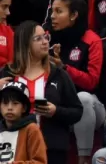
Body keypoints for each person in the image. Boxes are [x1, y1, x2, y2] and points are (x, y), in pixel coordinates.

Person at [4, 20, 83, 164]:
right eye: (38, 38)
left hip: (51, 150)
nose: (45, 42)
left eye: (46, 37)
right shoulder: (7, 74)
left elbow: (77, 111)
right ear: (24, 43)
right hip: (12, 148)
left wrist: (56, 111)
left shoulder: (59, 74)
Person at [47, 0, 105, 164]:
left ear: (73, 15)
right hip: (58, 105)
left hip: (92, 108)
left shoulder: (91, 40)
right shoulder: (45, 38)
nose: (52, 16)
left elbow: (92, 82)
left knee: (84, 99)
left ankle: (83, 159)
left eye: (59, 11)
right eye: (52, 11)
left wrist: (63, 68)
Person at [0, 80, 48, 164]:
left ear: (24, 108)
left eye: (15, 103)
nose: (9, 108)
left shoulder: (32, 129)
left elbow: (40, 162)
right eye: (5, 103)